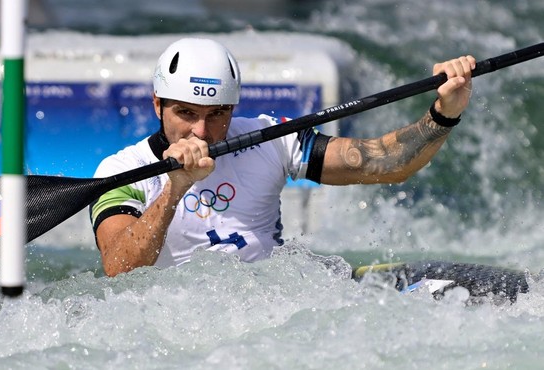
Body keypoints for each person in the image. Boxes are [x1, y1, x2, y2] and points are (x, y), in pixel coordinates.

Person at [90, 38, 475, 277]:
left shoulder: (270, 137)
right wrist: (175, 187)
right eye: (186, 114)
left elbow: (386, 164)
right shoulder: (121, 171)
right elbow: (120, 267)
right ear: (158, 104)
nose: (202, 133)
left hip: (274, 306)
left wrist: (445, 111)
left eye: (218, 114)